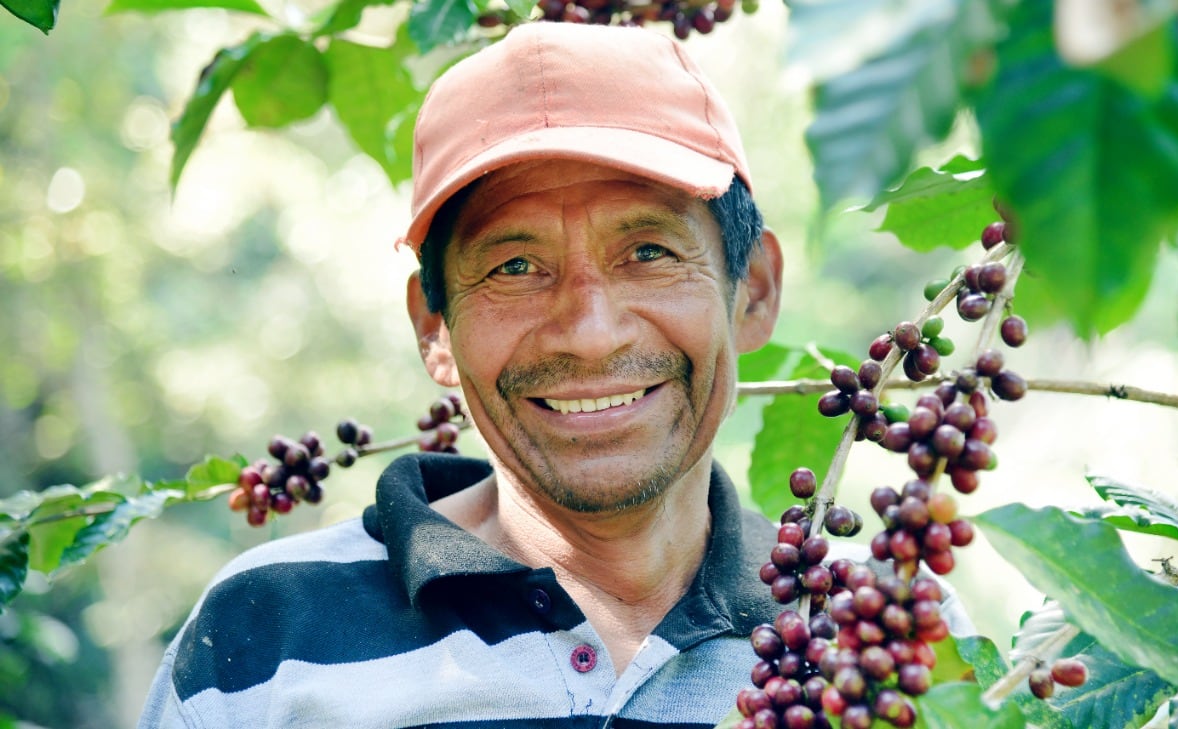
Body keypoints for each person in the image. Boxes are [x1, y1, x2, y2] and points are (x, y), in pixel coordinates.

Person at [139, 21, 970, 728]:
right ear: (435, 327)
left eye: (648, 252)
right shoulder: (262, 635)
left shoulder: (877, 627)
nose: (589, 331)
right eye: (514, 266)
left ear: (752, 292)